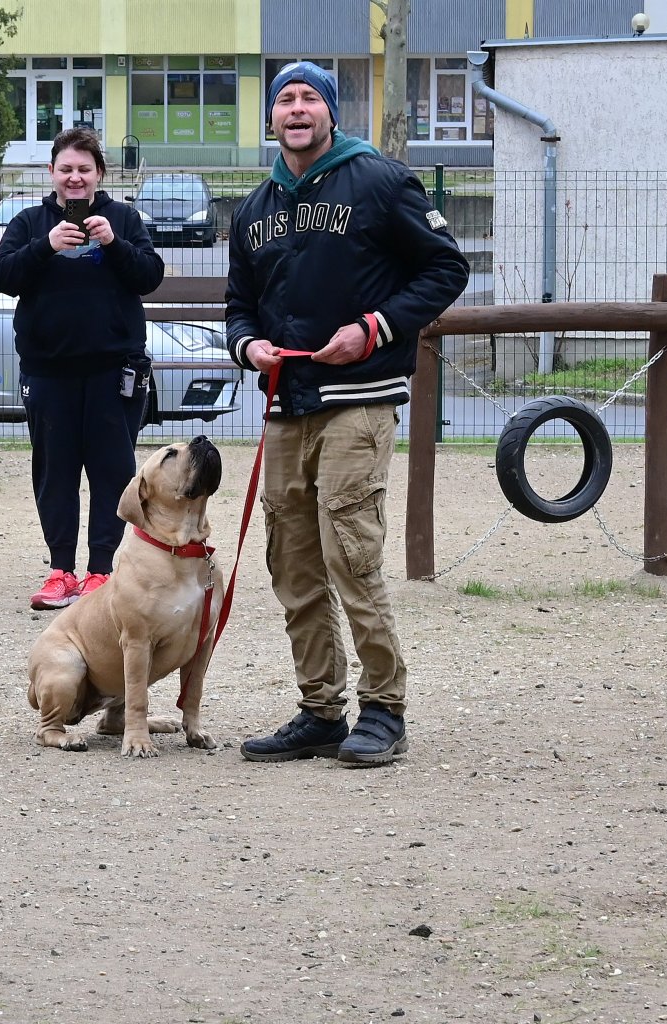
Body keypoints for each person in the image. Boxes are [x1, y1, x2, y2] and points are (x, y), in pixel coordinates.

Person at [225, 61, 468, 768]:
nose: (297, 109)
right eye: (285, 99)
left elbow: (445, 268)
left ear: (331, 112)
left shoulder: (381, 182)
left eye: (310, 98)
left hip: (358, 397)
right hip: (285, 403)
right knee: (292, 562)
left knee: (350, 554)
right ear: (271, 117)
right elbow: (238, 304)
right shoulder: (254, 207)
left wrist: (374, 328)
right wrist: (248, 346)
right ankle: (320, 710)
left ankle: (384, 708)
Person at [0, 126, 163, 611]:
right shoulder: (30, 222)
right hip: (48, 372)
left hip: (114, 370)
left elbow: (150, 276)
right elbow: (1, 276)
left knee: (112, 471)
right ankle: (60, 570)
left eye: (84, 169)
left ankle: (101, 571)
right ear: (52, 172)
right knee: (55, 473)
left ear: (99, 173)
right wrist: (45, 246)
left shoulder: (123, 219)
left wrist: (115, 244)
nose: (75, 178)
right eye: (66, 169)